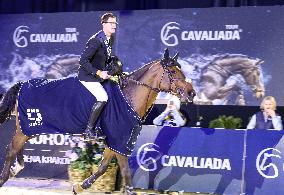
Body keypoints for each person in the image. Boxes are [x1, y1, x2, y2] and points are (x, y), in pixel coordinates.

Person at [78, 12, 118, 140]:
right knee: (103, 97)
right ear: (104, 24)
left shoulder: (110, 39)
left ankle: (99, 127)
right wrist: (99, 72)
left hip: (98, 76)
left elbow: (104, 58)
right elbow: (83, 61)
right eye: (111, 23)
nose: (114, 25)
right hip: (87, 76)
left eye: (115, 23)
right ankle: (88, 131)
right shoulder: (96, 40)